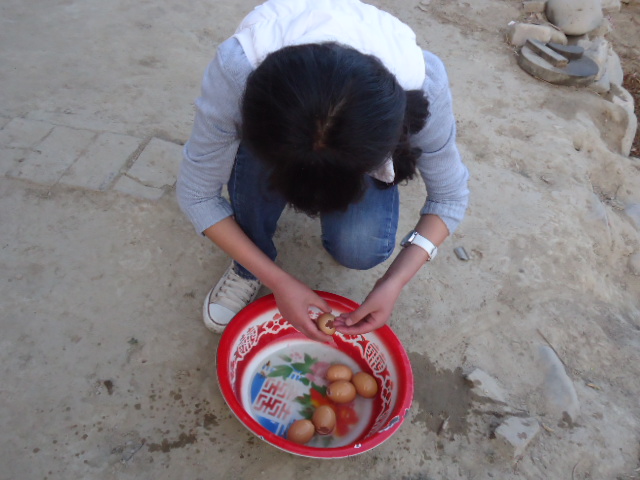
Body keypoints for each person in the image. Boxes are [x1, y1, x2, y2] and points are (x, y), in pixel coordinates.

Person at [177, 0, 470, 342]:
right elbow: (197, 194)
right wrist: (277, 280)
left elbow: (449, 197)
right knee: (254, 186)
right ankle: (247, 267)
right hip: (280, 117)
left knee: (361, 248)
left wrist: (394, 281)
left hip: (353, 129)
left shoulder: (422, 85)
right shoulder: (238, 70)